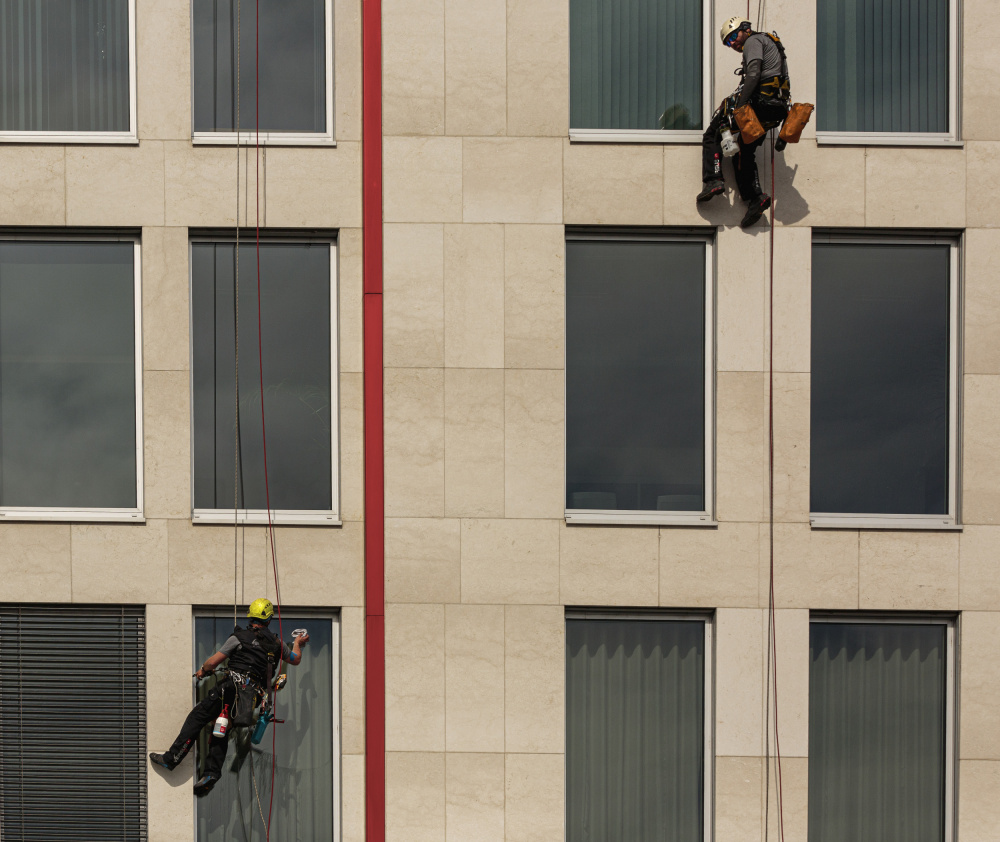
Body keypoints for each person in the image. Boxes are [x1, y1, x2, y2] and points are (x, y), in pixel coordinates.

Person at [149, 598, 309, 797]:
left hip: (230, 687)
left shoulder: (239, 637)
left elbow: (212, 663)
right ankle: (211, 774)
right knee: (222, 727)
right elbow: (295, 659)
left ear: (250, 617)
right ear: (268, 620)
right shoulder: (277, 644)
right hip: (252, 698)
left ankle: (171, 758)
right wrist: (297, 643)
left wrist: (202, 671)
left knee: (198, 717)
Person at [697, 16, 791, 228]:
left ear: (745, 29)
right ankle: (755, 198)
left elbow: (755, 73)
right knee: (745, 151)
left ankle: (713, 179)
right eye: (729, 43)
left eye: (733, 38)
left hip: (760, 103)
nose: (734, 44)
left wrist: (740, 106)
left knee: (713, 132)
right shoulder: (772, 44)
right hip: (773, 110)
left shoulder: (753, 41)